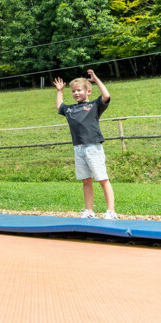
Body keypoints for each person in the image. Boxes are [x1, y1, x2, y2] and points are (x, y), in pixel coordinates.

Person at [53, 70, 117, 220]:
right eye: (73, 91)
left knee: (102, 179)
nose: (75, 93)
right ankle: (89, 211)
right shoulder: (70, 109)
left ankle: (111, 211)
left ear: (88, 91)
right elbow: (59, 106)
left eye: (79, 90)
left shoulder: (94, 105)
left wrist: (96, 79)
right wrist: (60, 91)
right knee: (86, 180)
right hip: (78, 148)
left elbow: (106, 96)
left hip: (93, 147)